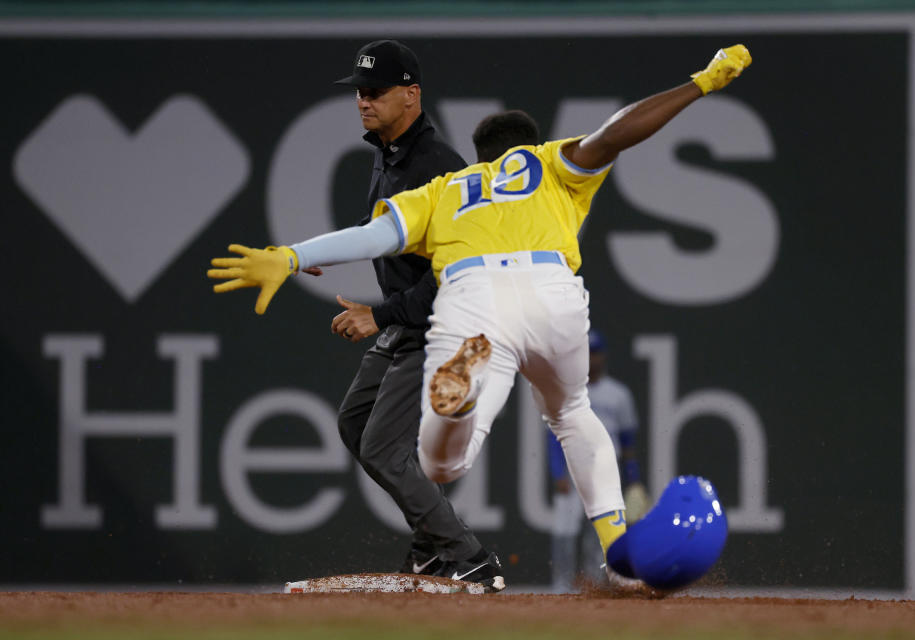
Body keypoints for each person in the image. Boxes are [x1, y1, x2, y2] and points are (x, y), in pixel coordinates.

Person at [208, 44, 752, 593]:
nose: (363, 101)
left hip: (476, 298)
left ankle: (457, 404)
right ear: (527, 147)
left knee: (444, 462)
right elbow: (615, 133)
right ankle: (617, 554)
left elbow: (373, 236)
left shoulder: (446, 188)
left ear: (480, 154)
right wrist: (699, 83)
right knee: (571, 413)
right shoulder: (545, 164)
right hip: (553, 290)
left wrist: (295, 255)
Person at [309, 39, 501, 590]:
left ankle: (470, 557)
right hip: (410, 321)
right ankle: (432, 546)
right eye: (359, 92)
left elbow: (455, 271)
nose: (363, 101)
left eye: (375, 91)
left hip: (446, 324)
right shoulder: (389, 153)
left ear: (412, 95)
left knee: (383, 449)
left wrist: (382, 314)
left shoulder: (438, 167)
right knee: (355, 424)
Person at [548, 329, 650, 593]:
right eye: (586, 353)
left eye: (595, 353)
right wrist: (558, 472)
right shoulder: (568, 391)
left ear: (603, 356)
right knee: (564, 531)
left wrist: (634, 480)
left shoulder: (619, 394)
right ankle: (562, 586)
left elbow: (628, 445)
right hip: (572, 466)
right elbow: (554, 434)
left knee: (599, 534)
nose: (591, 359)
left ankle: (594, 586)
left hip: (606, 469)